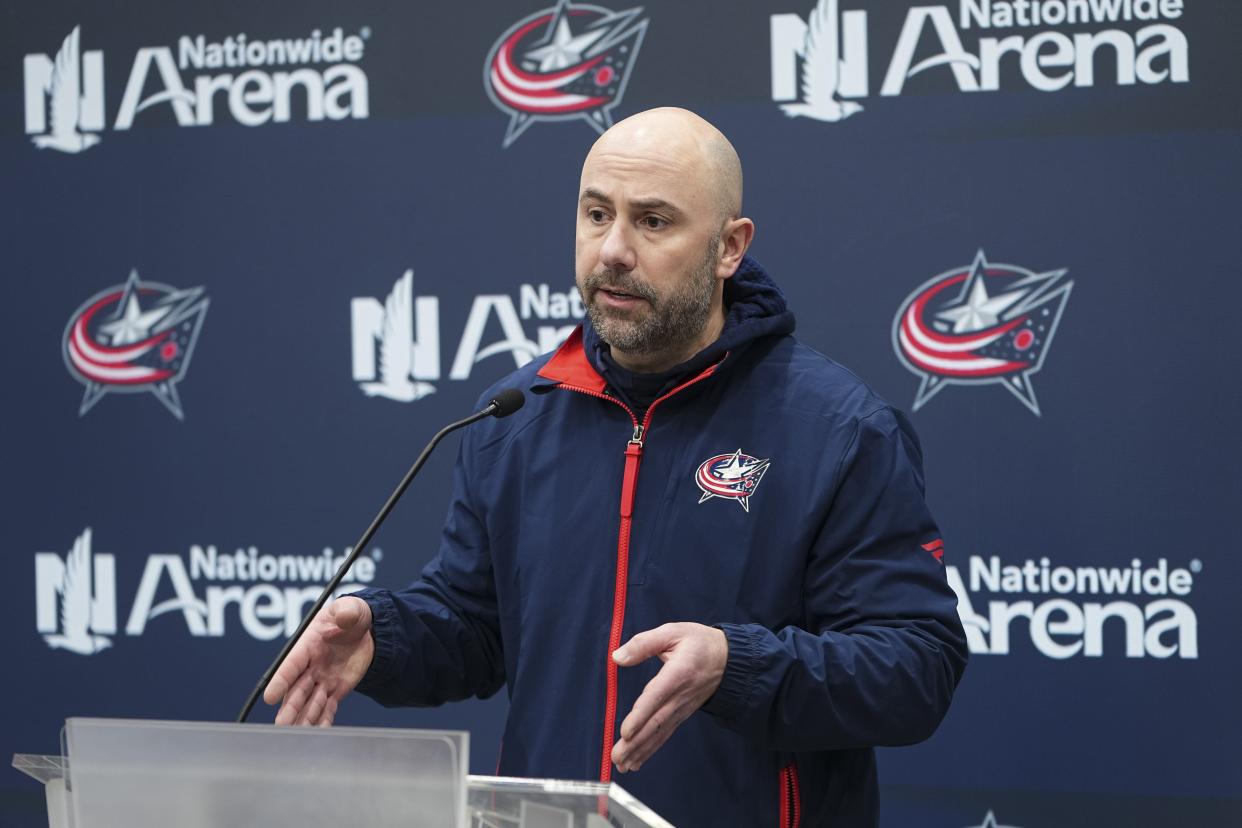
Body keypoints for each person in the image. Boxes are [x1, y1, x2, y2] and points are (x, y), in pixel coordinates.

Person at [265, 107, 968, 827]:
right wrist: (385, 635)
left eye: (654, 222)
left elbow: (916, 668)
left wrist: (738, 665)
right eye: (596, 214)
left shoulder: (837, 428)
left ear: (730, 247)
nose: (613, 251)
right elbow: (478, 629)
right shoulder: (517, 416)